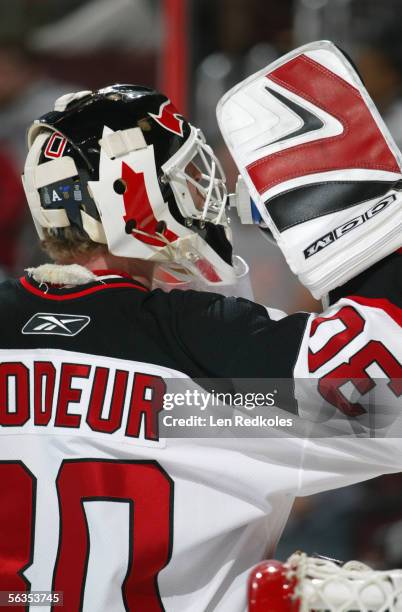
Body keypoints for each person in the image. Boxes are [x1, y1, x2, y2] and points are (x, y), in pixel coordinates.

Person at [0, 41, 400, 612]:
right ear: (133, 194)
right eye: (185, 179)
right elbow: (388, 391)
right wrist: (370, 235)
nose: (202, 197)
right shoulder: (206, 343)